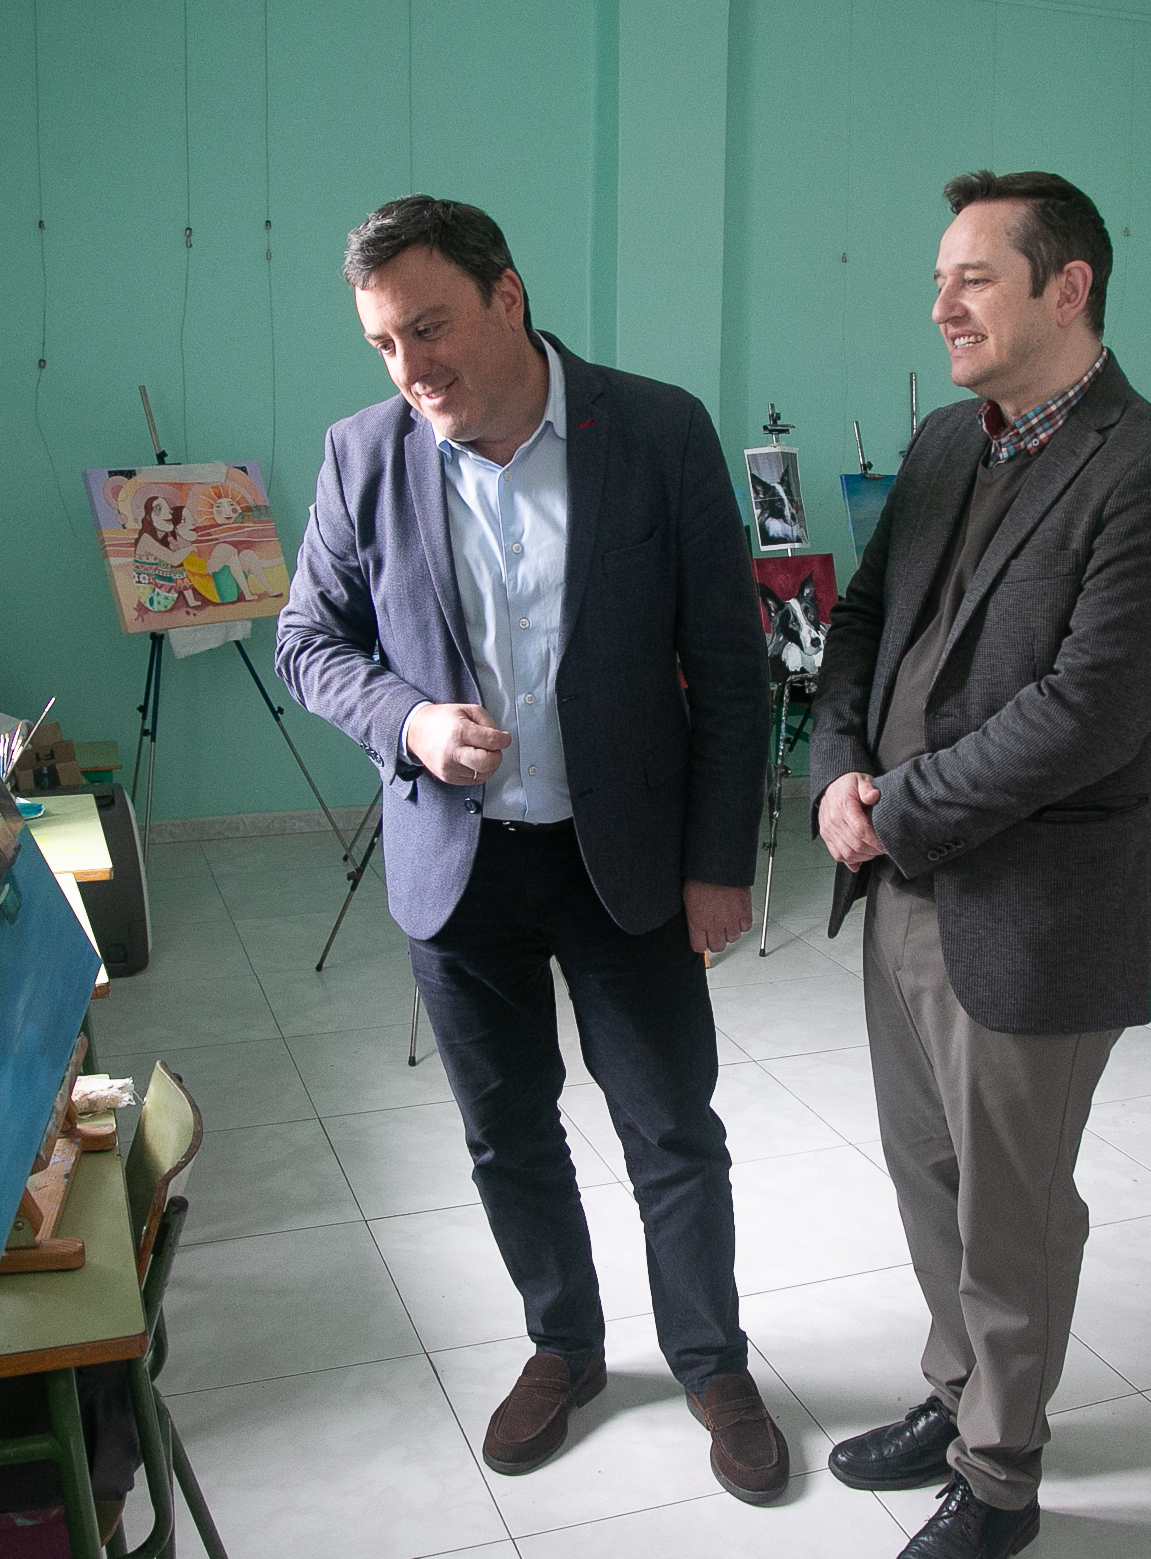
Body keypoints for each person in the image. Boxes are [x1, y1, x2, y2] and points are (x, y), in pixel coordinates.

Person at [275, 196, 787, 1505]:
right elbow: (309, 644)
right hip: (458, 869)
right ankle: (564, 1344)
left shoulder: (655, 430)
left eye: (430, 326)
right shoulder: (363, 457)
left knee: (670, 1127)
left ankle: (713, 1362)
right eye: (384, 343)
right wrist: (408, 721)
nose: (411, 367)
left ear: (507, 295)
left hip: (624, 857)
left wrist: (719, 861)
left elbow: (731, 666)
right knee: (506, 1131)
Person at [808, 170, 1151, 1558]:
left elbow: (1088, 710)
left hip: (1032, 906)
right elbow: (862, 621)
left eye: (972, 277)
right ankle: (955, 1395)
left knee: (1014, 1208)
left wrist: (896, 806)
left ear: (1067, 286)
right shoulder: (944, 441)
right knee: (929, 1171)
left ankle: (999, 1475)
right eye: (938, 279)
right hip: (898, 879)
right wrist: (835, 772)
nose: (941, 304)